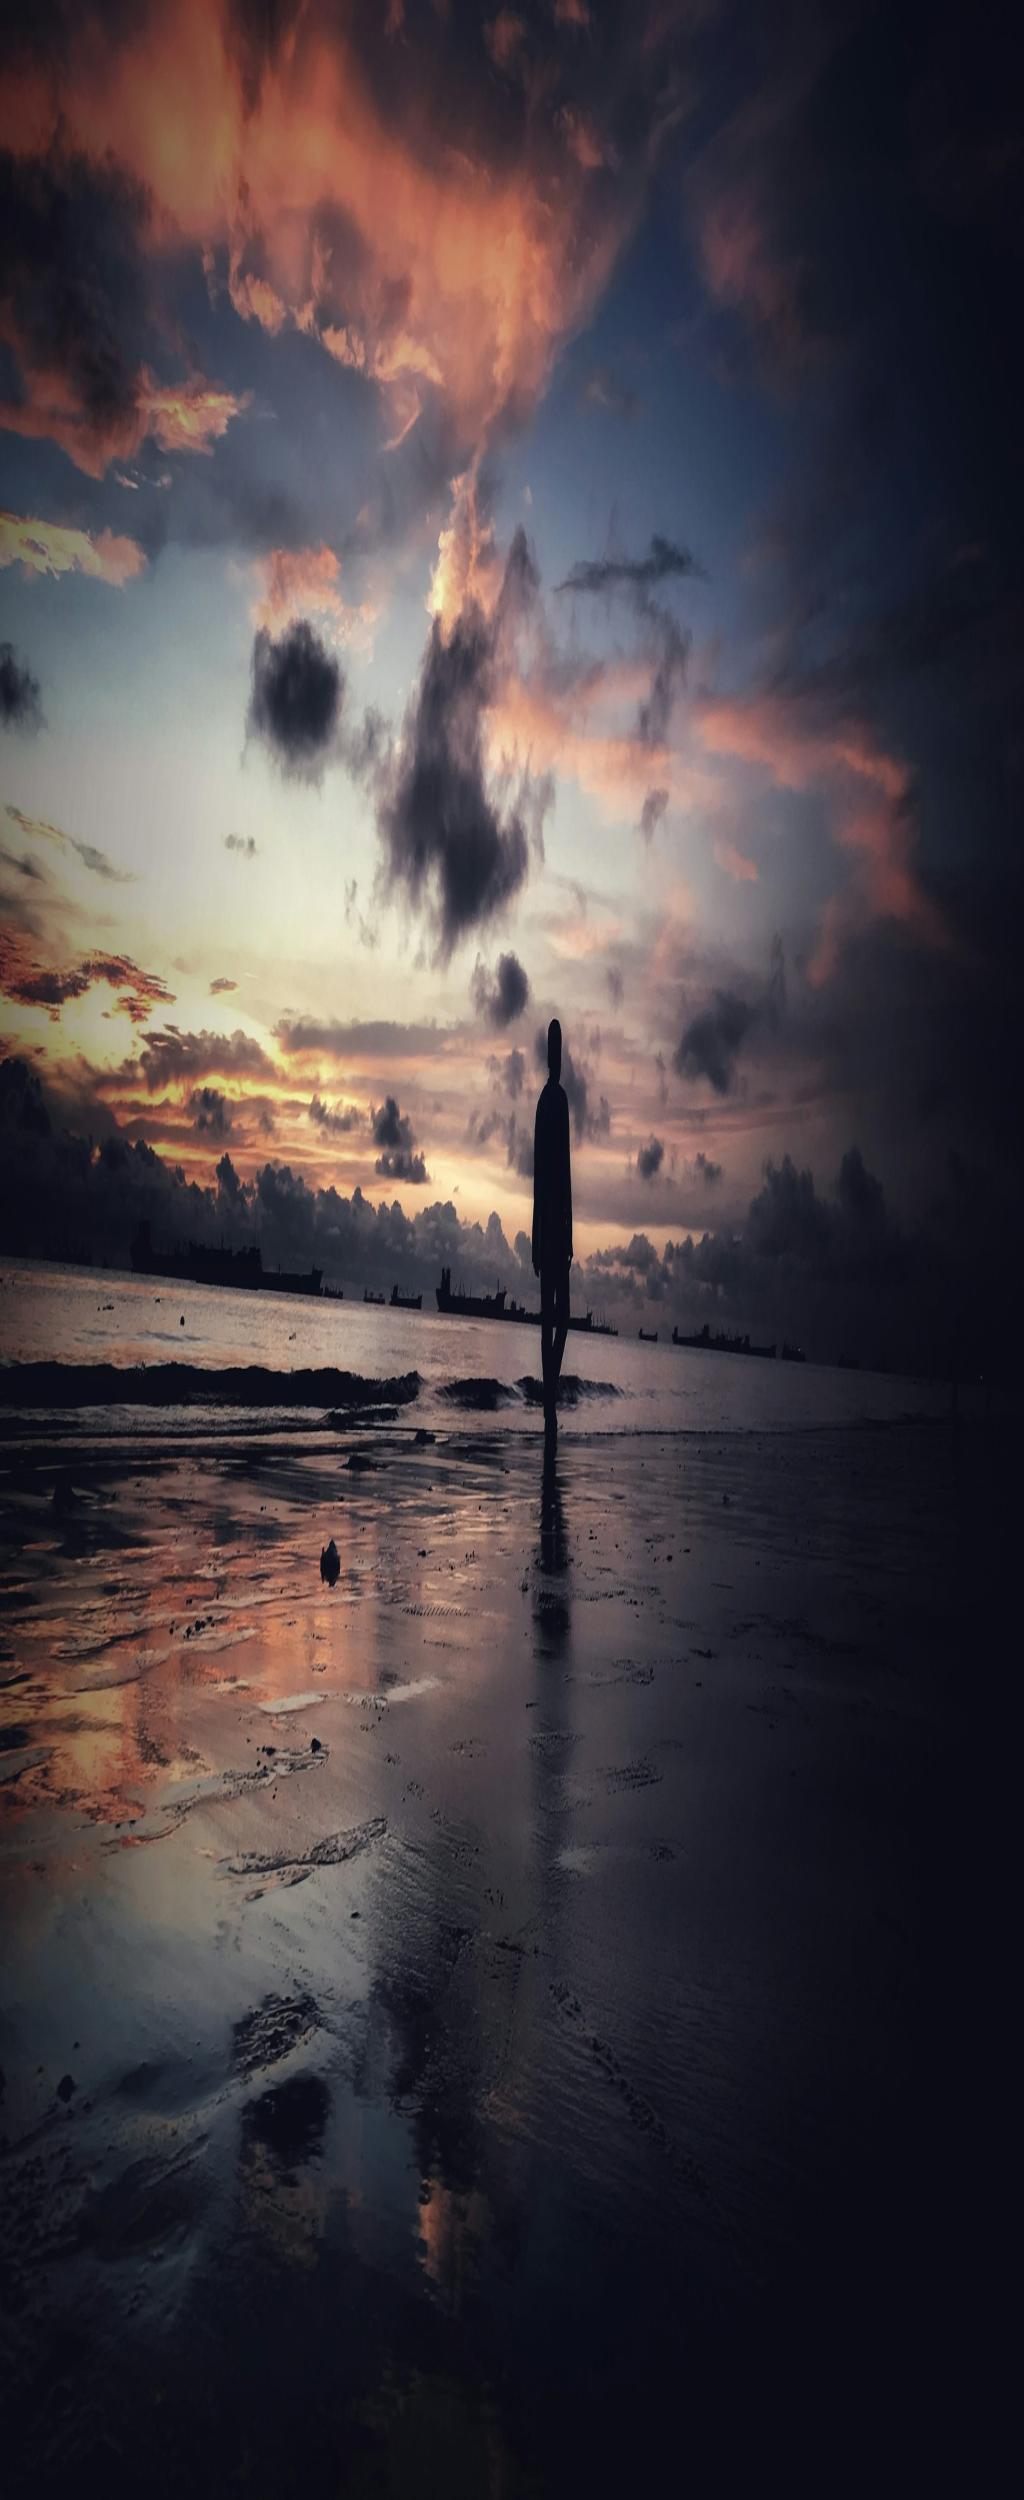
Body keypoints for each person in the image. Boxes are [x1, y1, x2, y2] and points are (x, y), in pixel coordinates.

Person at [532, 1018, 573, 1434]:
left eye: (559, 1049)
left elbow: (567, 1170)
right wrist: (535, 1236)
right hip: (547, 1224)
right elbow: (538, 1174)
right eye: (553, 1049)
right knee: (549, 1318)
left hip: (560, 1225)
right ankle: (548, 1398)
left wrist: (571, 1231)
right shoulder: (545, 1102)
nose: (556, 1057)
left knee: (564, 1317)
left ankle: (550, 1389)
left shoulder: (561, 1101)